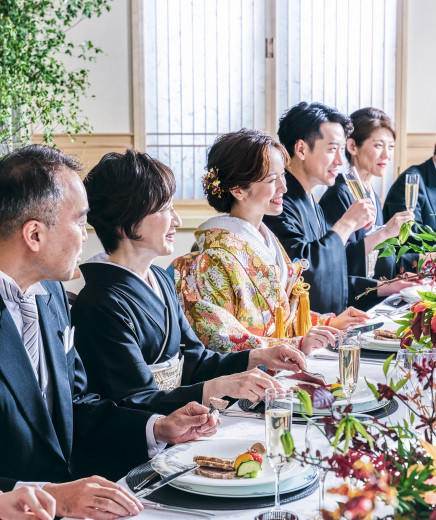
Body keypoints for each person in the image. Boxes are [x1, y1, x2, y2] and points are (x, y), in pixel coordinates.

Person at [0, 144, 220, 519]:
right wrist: (43, 496)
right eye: (79, 221)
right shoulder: (96, 298)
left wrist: (158, 427)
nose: (87, 236)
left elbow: (78, 405)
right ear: (34, 235)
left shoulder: (51, 294)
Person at [71, 149, 306, 417]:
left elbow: (195, 361)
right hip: (144, 439)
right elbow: (134, 400)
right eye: (163, 208)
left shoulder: (158, 277)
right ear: (125, 226)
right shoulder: (99, 302)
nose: (177, 221)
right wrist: (215, 387)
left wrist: (259, 357)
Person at [170, 129, 369, 355]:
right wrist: (296, 345)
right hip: (247, 381)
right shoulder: (213, 260)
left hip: (281, 367)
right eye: (272, 179)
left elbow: (282, 316)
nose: (283, 187)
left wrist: (328, 323)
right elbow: (220, 339)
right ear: (238, 190)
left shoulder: (266, 240)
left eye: (282, 175)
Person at [263, 101, 418, 314]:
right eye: (332, 149)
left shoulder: (311, 203)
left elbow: (335, 272)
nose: (339, 160)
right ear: (301, 149)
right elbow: (304, 273)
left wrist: (381, 288)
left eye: (340, 149)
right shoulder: (278, 202)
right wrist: (347, 223)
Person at [320, 107, 416, 279]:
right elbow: (338, 258)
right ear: (352, 146)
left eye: (391, 147)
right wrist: (385, 232)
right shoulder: (338, 195)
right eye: (378, 146)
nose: (387, 155)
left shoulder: (370, 193)